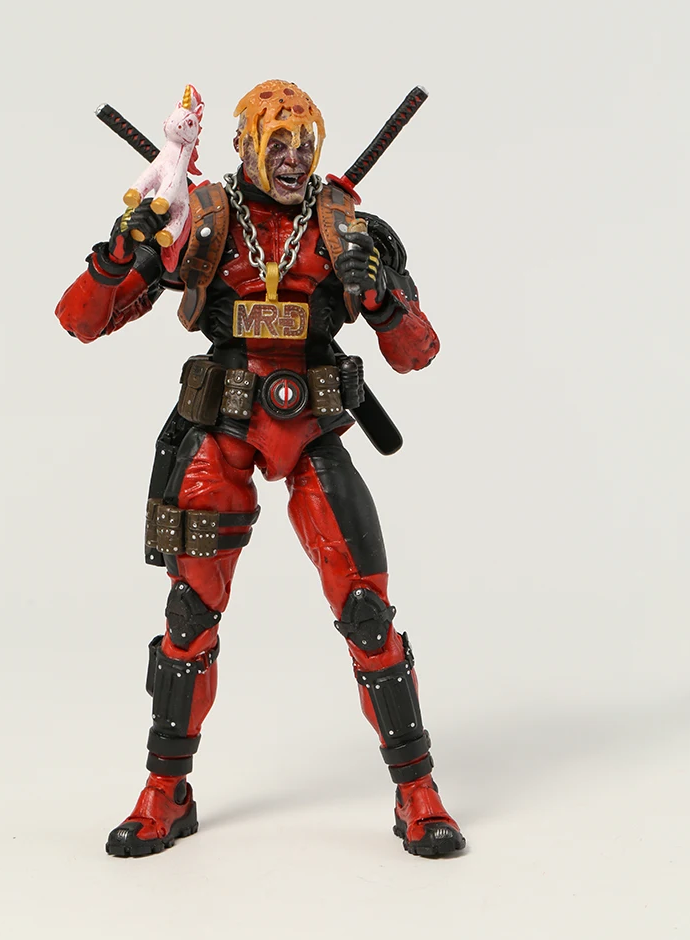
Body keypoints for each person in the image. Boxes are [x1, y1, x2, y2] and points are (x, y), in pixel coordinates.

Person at [55, 79, 464, 858]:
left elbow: (419, 352)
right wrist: (121, 256)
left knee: (367, 612)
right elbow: (79, 321)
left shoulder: (347, 227)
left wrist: (380, 296)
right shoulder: (202, 221)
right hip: (224, 428)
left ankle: (418, 792)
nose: (293, 158)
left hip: (311, 430)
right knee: (188, 617)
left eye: (305, 143)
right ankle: (165, 793)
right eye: (278, 143)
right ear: (245, 146)